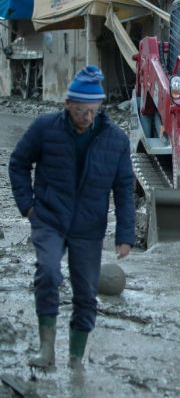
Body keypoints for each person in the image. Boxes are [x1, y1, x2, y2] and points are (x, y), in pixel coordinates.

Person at [8, 66, 135, 370]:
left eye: (93, 110)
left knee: (86, 294)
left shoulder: (116, 140)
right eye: (81, 111)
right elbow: (18, 163)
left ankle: (75, 359)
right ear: (67, 105)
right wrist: (28, 207)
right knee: (49, 273)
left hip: (88, 227)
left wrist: (125, 236)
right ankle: (46, 350)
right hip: (49, 217)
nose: (87, 117)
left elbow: (124, 188)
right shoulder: (45, 128)